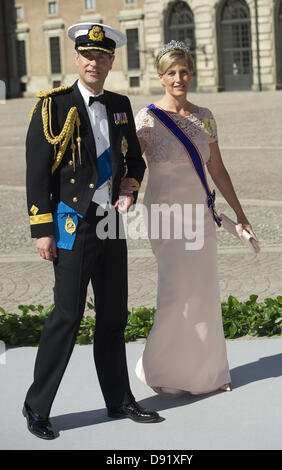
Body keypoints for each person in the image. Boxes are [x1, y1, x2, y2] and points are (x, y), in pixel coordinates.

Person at [23, 22, 161, 440]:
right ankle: (37, 407)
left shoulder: (120, 104)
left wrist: (130, 186)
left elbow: (134, 160)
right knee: (66, 315)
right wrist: (41, 229)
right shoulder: (53, 106)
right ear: (76, 59)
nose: (94, 63)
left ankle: (118, 399)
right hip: (70, 222)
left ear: (111, 61)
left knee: (114, 315)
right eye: (87, 56)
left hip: (109, 222)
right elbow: (35, 174)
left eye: (102, 57)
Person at [133, 40, 258, 395]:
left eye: (184, 71)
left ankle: (209, 373)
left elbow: (216, 167)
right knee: (175, 291)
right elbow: (128, 165)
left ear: (191, 73)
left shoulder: (205, 116)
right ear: (161, 76)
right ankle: (159, 370)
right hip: (165, 214)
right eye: (171, 72)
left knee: (203, 289)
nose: (179, 78)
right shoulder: (147, 119)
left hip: (200, 214)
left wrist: (240, 212)